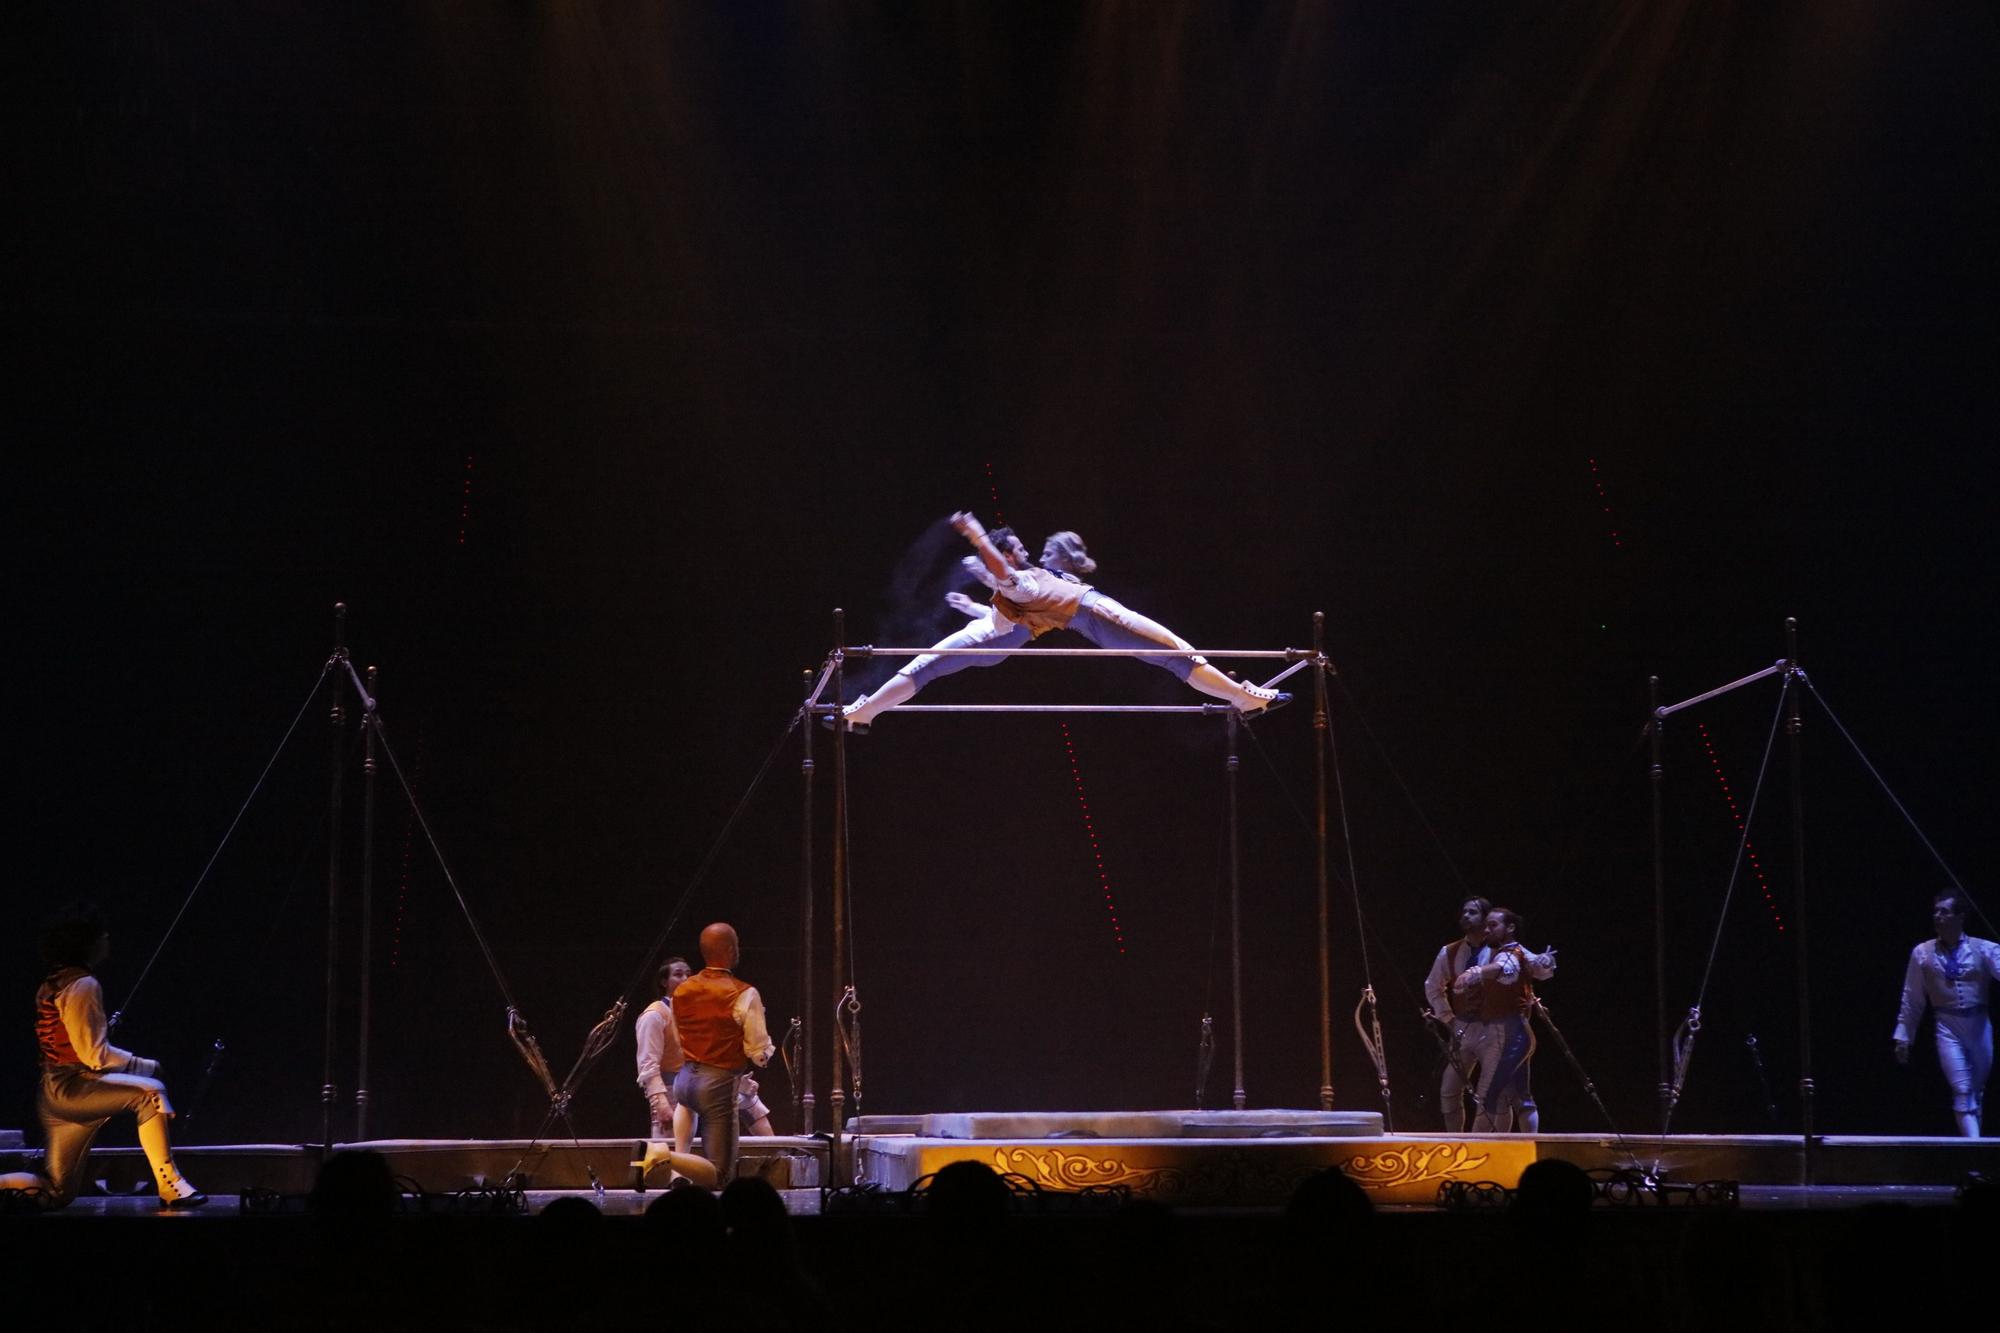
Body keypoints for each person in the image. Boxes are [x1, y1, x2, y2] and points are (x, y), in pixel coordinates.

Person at [833, 514, 1287, 729]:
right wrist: (975, 537)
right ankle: (1242, 699)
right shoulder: (1018, 582)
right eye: (1017, 547)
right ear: (1006, 554)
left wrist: (973, 597)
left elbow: (1002, 614)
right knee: (1178, 655)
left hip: (1067, 621)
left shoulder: (1029, 584)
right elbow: (1000, 577)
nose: (1025, 550)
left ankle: (867, 710)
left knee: (1177, 655)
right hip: (1093, 615)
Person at [0, 903, 205, 1208]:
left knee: (56, 1193)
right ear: (87, 943)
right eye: (102, 936)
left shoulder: (53, 982)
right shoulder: (83, 985)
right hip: (71, 1090)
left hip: (55, 1091)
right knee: (149, 1094)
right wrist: (144, 1066)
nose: (107, 940)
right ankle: (171, 1185)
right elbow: (93, 1055)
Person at [670, 922, 775, 1187]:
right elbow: (757, 1050)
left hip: (684, 1080)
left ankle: (676, 1170)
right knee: (720, 1173)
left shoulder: (682, 989)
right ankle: (664, 1156)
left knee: (698, 1150)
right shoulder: (743, 992)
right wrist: (765, 1055)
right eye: (737, 944)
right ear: (729, 950)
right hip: (716, 1082)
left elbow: (677, 1032)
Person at [1893, 890, 2000, 1137]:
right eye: (1935, 911)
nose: (1937, 916)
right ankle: (1975, 1154)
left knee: (1975, 1089)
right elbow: (1912, 998)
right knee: (1962, 1090)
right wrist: (1904, 1036)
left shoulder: (1983, 948)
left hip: (1979, 1025)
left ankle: (1975, 1153)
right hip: (1947, 1027)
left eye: (1944, 911)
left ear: (1960, 916)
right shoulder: (1922, 953)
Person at [1452, 907, 1556, 1133]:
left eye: (1493, 925)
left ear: (1510, 928)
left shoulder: (1510, 953)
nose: (1487, 930)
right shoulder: (1497, 951)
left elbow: (1507, 968)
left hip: (1513, 1034)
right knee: (1521, 1095)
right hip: (1505, 1032)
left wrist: (1476, 973)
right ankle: (1528, 1150)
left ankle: (1475, 1149)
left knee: (1491, 1094)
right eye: (1486, 925)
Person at [1423, 896, 1492, 1131]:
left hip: (1494, 1028)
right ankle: (1457, 1141)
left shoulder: (1499, 952)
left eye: (1472, 912)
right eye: (1464, 912)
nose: (1465, 916)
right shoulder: (1449, 952)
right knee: (1449, 1089)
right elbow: (1433, 986)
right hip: (1464, 1028)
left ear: (1485, 919)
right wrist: (1448, 1019)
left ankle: (1483, 1146)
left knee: (1491, 1092)